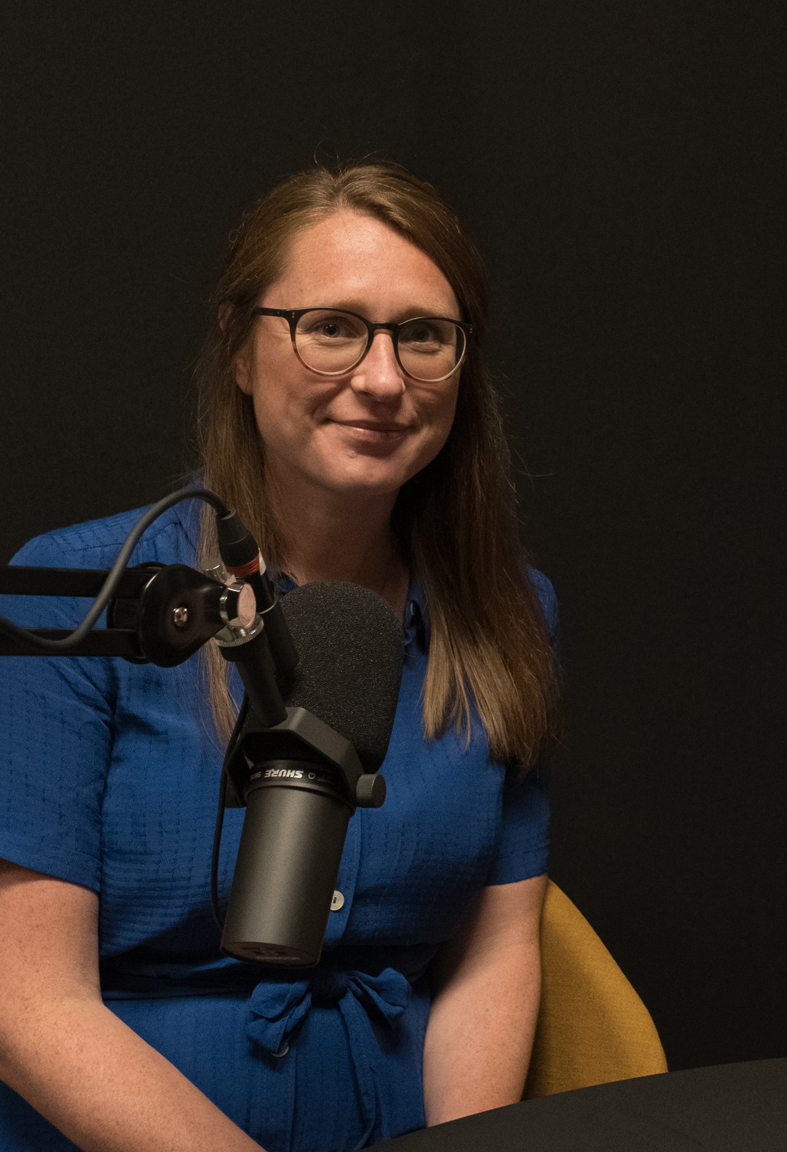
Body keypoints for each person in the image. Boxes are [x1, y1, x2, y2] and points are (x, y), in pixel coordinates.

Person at [0, 162, 560, 1151]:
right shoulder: (84, 601)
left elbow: (495, 951)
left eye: (423, 336)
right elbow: (26, 1003)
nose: (382, 380)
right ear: (239, 350)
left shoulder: (507, 614)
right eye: (331, 327)